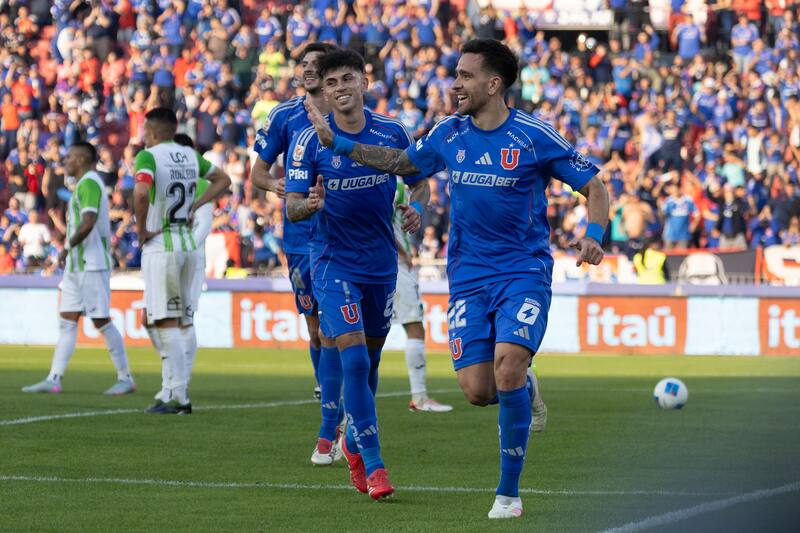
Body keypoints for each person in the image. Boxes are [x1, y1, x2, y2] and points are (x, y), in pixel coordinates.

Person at [304, 39, 609, 518]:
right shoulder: (448, 133)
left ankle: (508, 495)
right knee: (478, 391)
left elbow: (594, 185)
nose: (455, 84)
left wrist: (593, 234)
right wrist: (337, 143)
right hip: (467, 277)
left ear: (493, 83)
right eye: (456, 74)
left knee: (507, 365)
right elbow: (402, 165)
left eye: (466, 76)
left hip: (522, 271)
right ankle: (525, 389)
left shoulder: (532, 137)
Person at [286, 49, 430, 499]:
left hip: (380, 264)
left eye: (348, 79)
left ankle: (352, 440)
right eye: (331, 83)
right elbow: (290, 205)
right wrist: (306, 205)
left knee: (368, 364)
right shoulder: (309, 141)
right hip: (332, 261)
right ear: (323, 92)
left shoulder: (391, 131)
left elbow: (420, 178)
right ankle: (375, 465)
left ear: (364, 83)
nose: (340, 88)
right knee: (351, 358)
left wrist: (416, 208)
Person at [249, 42, 346, 466]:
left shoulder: (349, 113)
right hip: (300, 237)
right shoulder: (284, 116)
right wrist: (288, 189)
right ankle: (333, 405)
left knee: (333, 332)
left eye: (315, 65)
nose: (307, 70)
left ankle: (333, 427)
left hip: (343, 236)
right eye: (302, 64)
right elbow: (257, 175)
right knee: (315, 331)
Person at [133, 108, 231, 414]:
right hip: (188, 245)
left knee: (164, 321)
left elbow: (139, 192)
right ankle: (171, 389)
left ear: (150, 130)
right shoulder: (190, 156)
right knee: (175, 320)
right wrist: (196, 204)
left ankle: (179, 395)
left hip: (163, 244)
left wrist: (141, 229)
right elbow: (222, 179)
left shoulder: (148, 156)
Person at [22, 142, 135, 395]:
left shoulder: (90, 183)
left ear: (82, 160)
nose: (66, 161)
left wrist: (65, 248)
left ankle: (125, 377)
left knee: (101, 319)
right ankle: (54, 378)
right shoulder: (82, 185)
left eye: (70, 157)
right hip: (76, 265)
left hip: (91, 265)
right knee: (67, 321)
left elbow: (88, 221)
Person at [143, 133, 217, 407]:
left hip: (187, 259)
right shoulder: (165, 182)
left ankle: (177, 387)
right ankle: (172, 383)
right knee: (154, 319)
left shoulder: (199, 184)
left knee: (182, 321)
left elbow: (204, 226)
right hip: (164, 255)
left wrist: (181, 248)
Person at [392, 181, 452, 413]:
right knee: (415, 327)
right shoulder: (395, 185)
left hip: (384, 263)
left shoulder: (389, 181)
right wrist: (404, 253)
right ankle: (419, 397)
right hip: (397, 265)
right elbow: (382, 224)